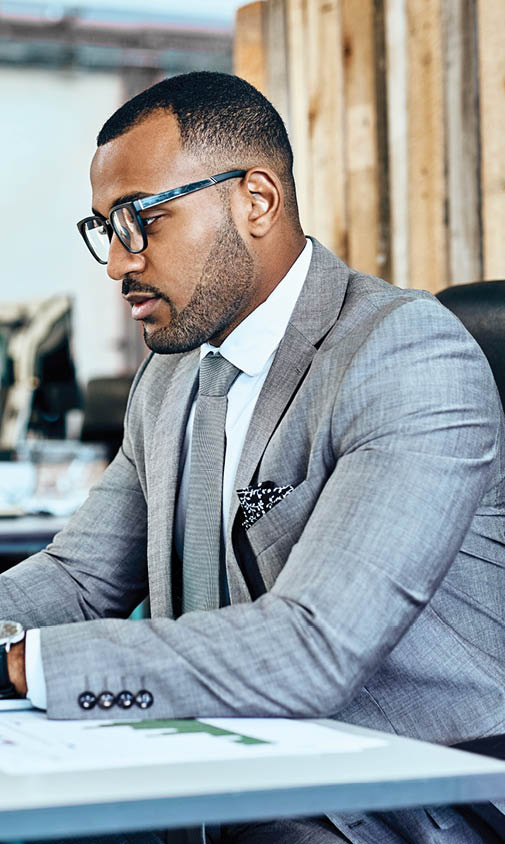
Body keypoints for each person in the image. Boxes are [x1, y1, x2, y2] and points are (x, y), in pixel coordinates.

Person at [1, 72, 504, 843]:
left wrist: (27, 663)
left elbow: (313, 645)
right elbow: (79, 578)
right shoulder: (170, 376)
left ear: (256, 200)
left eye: (141, 220)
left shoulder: (402, 353)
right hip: (223, 774)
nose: (117, 264)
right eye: (106, 228)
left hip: (387, 805)